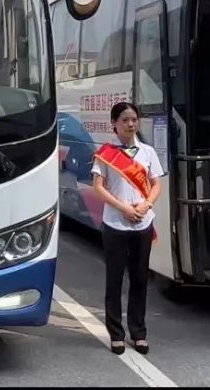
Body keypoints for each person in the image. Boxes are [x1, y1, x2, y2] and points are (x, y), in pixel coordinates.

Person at [90, 101, 163, 356]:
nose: (131, 124)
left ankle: (139, 332)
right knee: (115, 279)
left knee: (140, 279)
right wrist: (123, 208)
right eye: (125, 120)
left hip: (142, 222)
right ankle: (116, 334)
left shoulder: (148, 152)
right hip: (115, 223)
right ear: (114, 124)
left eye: (134, 119)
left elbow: (156, 184)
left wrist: (145, 205)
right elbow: (98, 187)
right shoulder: (106, 154)